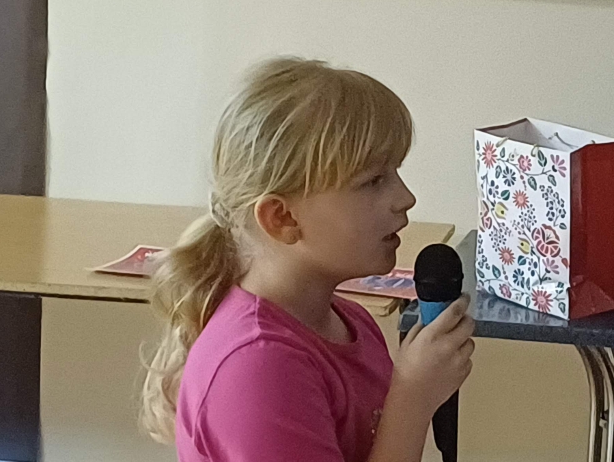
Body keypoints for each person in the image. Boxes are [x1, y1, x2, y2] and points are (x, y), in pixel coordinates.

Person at [139, 57, 474, 462]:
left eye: (395, 173)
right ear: (282, 217)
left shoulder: (352, 323)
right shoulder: (258, 366)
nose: (406, 198)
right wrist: (413, 399)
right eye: (373, 181)